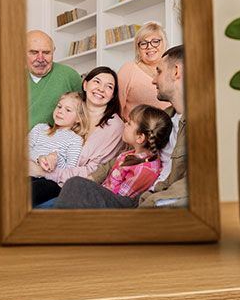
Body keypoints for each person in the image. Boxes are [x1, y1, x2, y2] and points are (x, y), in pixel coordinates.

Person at [54, 45, 188, 209]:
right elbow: (123, 158)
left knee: (75, 187)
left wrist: (146, 207)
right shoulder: (163, 117)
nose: (153, 79)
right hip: (134, 195)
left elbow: (188, 186)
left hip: (146, 201)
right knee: (75, 187)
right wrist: (91, 180)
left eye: (158, 71)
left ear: (176, 72)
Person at [30, 66, 124, 206]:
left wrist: (46, 172)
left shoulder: (114, 126)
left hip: (68, 184)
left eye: (109, 86)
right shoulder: (71, 109)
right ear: (85, 84)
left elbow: (94, 171)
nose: (101, 89)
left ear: (112, 95)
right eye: (97, 82)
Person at [93, 105, 174, 202]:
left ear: (140, 137)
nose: (125, 124)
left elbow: (118, 200)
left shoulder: (143, 170)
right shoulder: (130, 154)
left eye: (129, 123)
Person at [27, 30, 84, 129]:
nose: (40, 58)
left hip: (56, 141)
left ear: (53, 52)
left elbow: (85, 113)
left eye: (46, 52)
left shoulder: (69, 75)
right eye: (34, 52)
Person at [117, 21, 172, 119]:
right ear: (138, 49)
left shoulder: (173, 69)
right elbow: (115, 110)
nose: (149, 46)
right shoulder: (128, 70)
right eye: (143, 43)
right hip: (138, 132)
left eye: (155, 41)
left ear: (164, 43)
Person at [28, 91, 88, 175]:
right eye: (59, 106)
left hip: (47, 180)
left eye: (68, 110)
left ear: (78, 118)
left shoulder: (75, 140)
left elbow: (69, 171)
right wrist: (39, 159)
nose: (60, 111)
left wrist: (56, 159)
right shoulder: (40, 128)